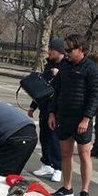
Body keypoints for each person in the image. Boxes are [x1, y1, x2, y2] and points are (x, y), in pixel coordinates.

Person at [48, 34, 98, 196]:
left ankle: (85, 190)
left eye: (70, 50)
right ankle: (67, 187)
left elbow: (95, 97)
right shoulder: (64, 66)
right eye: (66, 50)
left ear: (81, 50)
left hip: (81, 118)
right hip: (64, 116)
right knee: (65, 153)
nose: (67, 53)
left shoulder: (92, 69)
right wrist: (52, 112)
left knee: (84, 153)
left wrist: (86, 119)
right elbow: (56, 91)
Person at [28, 37, 66, 182]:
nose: (49, 52)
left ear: (59, 51)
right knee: (44, 136)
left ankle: (58, 167)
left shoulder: (66, 67)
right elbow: (41, 87)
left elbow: (68, 87)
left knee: (54, 138)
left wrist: (59, 75)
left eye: (52, 50)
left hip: (57, 108)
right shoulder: (48, 65)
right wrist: (33, 106)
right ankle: (46, 163)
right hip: (45, 107)